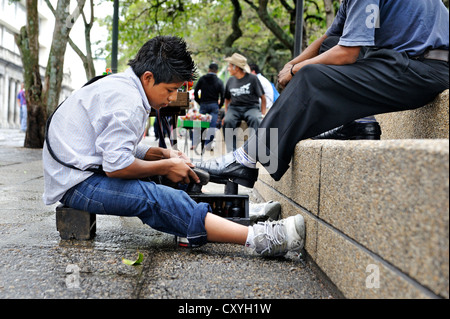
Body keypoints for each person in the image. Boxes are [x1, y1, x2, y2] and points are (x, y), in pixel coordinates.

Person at [42, 35, 305, 257]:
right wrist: (167, 165)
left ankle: (232, 215)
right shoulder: (128, 101)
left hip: (85, 167)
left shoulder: (126, 89)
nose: (171, 99)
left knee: (175, 173)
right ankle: (259, 239)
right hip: (77, 183)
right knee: (153, 197)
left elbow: (115, 148)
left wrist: (164, 154)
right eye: (169, 90)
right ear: (148, 77)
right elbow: (116, 165)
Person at [196, 0, 449, 188]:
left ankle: (246, 159)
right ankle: (360, 123)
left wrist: (296, 70)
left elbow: (347, 54)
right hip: (405, 62)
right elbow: (329, 39)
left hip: (425, 68)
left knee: (310, 77)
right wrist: (290, 65)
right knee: (326, 50)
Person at [222, 53, 266, 152]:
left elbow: (263, 97)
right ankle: (231, 153)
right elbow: (227, 99)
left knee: (256, 119)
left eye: (229, 66)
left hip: (251, 107)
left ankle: (252, 150)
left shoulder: (252, 79)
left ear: (236, 67)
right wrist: (226, 113)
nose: (228, 69)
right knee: (228, 121)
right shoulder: (230, 80)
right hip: (234, 108)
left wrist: (263, 113)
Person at [193, 62, 225, 150]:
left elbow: (195, 92)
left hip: (203, 104)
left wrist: (199, 102)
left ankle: (194, 144)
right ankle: (208, 144)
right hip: (214, 105)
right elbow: (223, 96)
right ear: (217, 71)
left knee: (198, 124)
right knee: (212, 126)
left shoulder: (202, 79)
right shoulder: (219, 81)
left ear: (209, 70)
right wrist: (220, 105)